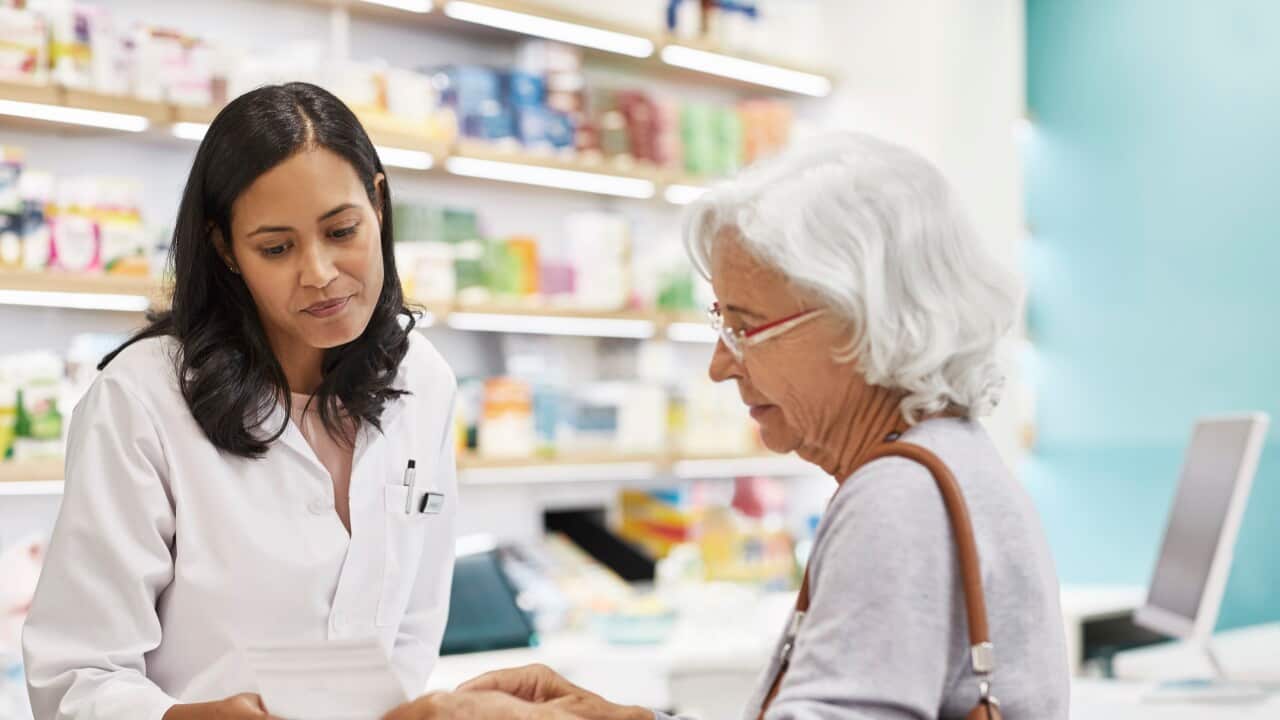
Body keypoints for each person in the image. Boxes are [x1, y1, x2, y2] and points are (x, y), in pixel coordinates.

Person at [383, 133, 1069, 719]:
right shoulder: (949, 461)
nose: (720, 365)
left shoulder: (899, 498)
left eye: (744, 326)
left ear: (862, 319)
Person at [23, 82, 458, 720]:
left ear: (379, 203)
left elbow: (413, 632)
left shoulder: (425, 382)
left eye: (342, 230)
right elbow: (76, 674)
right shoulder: (143, 399)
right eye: (276, 248)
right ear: (226, 248)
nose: (319, 272)